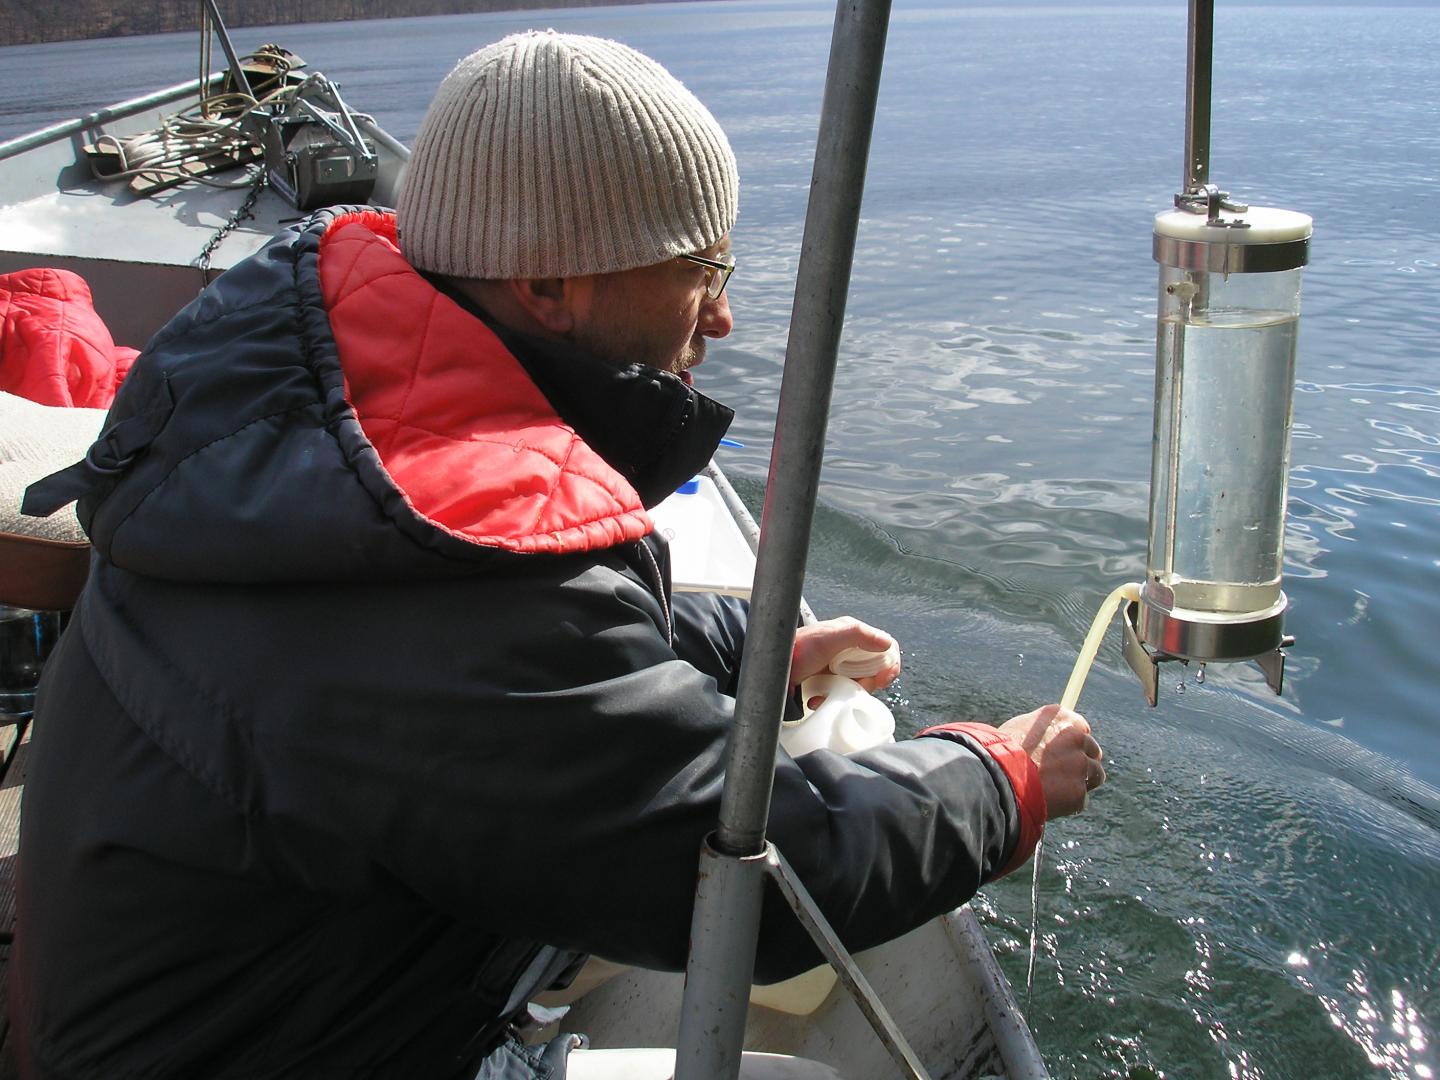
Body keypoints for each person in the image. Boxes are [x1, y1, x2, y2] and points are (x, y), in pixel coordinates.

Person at [11, 30, 1104, 1080]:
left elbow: (488, 657)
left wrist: (737, 645)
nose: (720, 316)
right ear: (548, 287)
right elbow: (759, 878)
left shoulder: (324, 433)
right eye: (701, 266)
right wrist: (1001, 779)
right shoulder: (458, 574)